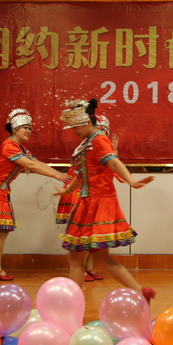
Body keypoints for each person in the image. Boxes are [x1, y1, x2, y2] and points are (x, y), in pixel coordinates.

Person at [55, 100, 156, 299]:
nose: (73, 131)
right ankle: (140, 292)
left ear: (86, 122)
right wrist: (67, 192)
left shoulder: (99, 140)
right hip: (88, 203)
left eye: (75, 126)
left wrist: (131, 181)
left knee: (79, 258)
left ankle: (73, 303)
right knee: (95, 260)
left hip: (98, 203)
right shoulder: (88, 143)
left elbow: (114, 163)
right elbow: (82, 175)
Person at [0, 108, 71, 281]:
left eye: (30, 128)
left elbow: (36, 162)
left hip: (0, 189)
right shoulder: (9, 146)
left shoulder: (20, 147)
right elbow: (31, 166)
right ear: (15, 129)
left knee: (2, 231)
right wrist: (57, 176)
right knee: (2, 230)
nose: (28, 131)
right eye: (25, 127)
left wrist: (59, 173)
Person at [55, 113, 114, 282]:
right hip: (78, 192)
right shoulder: (91, 146)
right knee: (85, 235)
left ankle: (87, 268)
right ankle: (81, 270)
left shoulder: (95, 145)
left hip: (86, 192)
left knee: (90, 234)